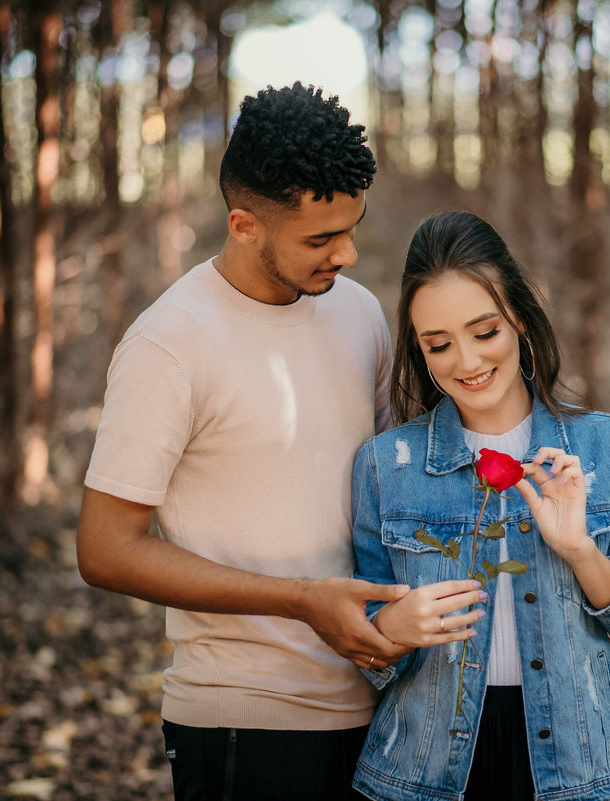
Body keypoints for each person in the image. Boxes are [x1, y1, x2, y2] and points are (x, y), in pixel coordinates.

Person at [75, 83, 411, 800]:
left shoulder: (359, 314)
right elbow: (105, 548)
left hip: (383, 712)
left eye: (351, 229)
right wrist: (301, 599)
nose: (347, 254)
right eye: (321, 240)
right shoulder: (170, 343)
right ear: (244, 224)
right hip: (243, 723)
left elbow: (392, 485)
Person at [349, 211, 610, 801]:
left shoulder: (609, 447)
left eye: (485, 332)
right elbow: (363, 642)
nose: (468, 363)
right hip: (419, 778)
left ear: (520, 319)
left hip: (575, 776)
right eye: (439, 345)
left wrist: (580, 552)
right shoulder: (383, 465)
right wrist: (388, 632)